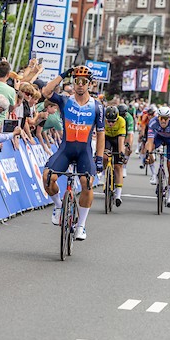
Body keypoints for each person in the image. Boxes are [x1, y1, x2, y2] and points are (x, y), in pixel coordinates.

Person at [42, 65, 105, 241]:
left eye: (84, 82)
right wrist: (63, 74)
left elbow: (101, 134)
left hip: (84, 151)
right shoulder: (64, 100)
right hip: (66, 149)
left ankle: (81, 225)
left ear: (90, 84)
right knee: (48, 177)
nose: (80, 85)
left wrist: (99, 158)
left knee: (87, 183)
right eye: (77, 81)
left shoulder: (97, 107)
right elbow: (46, 92)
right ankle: (58, 206)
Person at [145, 106, 170, 207]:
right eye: (161, 118)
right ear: (158, 118)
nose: (163, 120)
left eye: (166, 118)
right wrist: (149, 153)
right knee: (149, 150)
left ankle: (169, 197)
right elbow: (150, 141)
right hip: (159, 138)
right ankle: (155, 175)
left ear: (169, 118)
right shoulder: (153, 122)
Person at [103, 106, 126, 207]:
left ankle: (118, 195)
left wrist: (121, 153)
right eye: (109, 121)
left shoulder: (121, 121)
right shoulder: (102, 121)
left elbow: (121, 140)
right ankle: (104, 173)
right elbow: (101, 137)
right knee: (104, 156)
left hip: (117, 139)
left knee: (118, 166)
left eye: (113, 122)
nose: (111, 124)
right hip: (107, 138)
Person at [117, 103, 134, 178]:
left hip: (126, 133)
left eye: (123, 115)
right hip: (116, 132)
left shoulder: (129, 117)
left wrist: (128, 145)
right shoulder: (115, 115)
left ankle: (124, 167)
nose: (122, 117)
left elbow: (130, 134)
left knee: (128, 149)